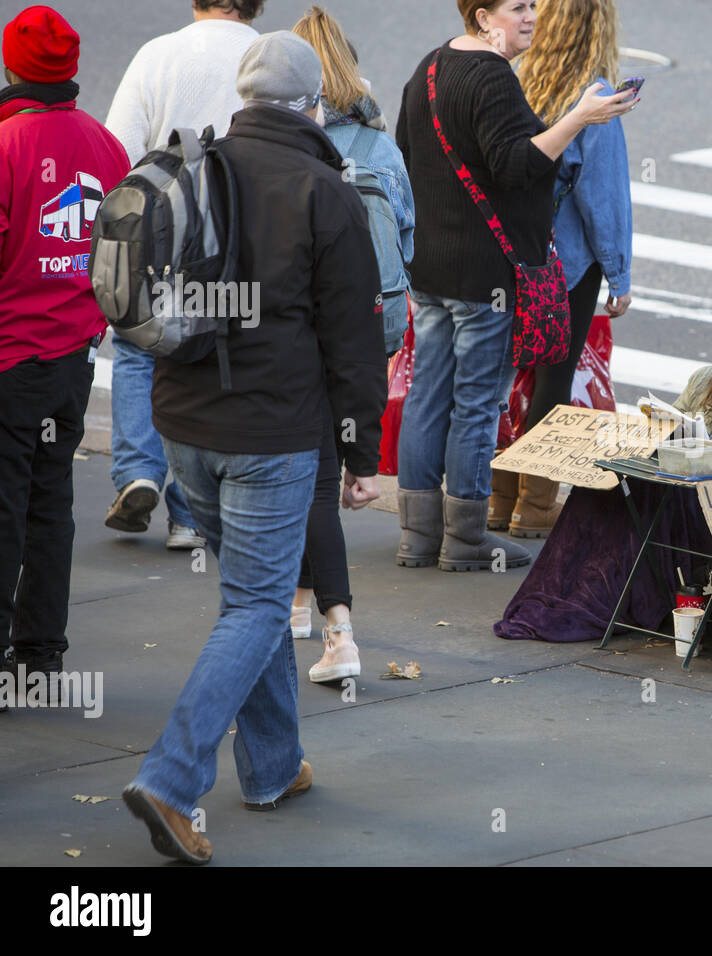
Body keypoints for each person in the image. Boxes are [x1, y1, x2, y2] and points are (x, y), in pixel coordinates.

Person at [122, 31, 387, 863]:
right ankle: (170, 780)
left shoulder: (197, 166)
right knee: (260, 604)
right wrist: (359, 451)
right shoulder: (325, 191)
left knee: (253, 593)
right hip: (272, 431)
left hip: (183, 423)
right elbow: (355, 341)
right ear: (313, 104)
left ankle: (271, 766)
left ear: (244, 97)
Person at [392, 0, 635, 572]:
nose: (532, 16)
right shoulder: (494, 77)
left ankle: (418, 535)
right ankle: (468, 537)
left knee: (430, 395)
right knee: (477, 404)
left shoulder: (429, 67)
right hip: (485, 279)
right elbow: (517, 165)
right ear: (482, 17)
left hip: (430, 269)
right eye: (518, 7)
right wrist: (577, 118)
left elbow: (406, 159)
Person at [496, 311, 712, 643]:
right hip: (681, 500)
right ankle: (573, 592)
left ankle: (608, 598)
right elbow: (662, 437)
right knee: (610, 485)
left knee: (646, 500)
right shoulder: (703, 382)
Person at [0, 5, 129, 710]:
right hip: (72, 357)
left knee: (3, 507)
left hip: (10, 356)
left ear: (13, 66)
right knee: (51, 504)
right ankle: (40, 655)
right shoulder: (105, 146)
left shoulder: (6, 144)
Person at [103, 0, 264, 551]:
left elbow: (118, 149)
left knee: (138, 344)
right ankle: (189, 516)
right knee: (209, 350)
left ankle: (137, 472)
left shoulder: (157, 54)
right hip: (233, 240)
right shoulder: (263, 56)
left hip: (158, 233)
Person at [289, 5, 417, 683]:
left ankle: (339, 633)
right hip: (374, 325)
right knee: (328, 471)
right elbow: (407, 238)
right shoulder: (377, 144)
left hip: (310, 336)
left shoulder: (295, 149)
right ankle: (301, 602)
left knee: (312, 486)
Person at [497, 0, 633, 538]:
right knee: (554, 376)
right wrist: (619, 276)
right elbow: (603, 198)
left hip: (513, 255)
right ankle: (534, 504)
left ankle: (498, 495)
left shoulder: (517, 78)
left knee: (507, 375)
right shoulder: (593, 97)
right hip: (568, 263)